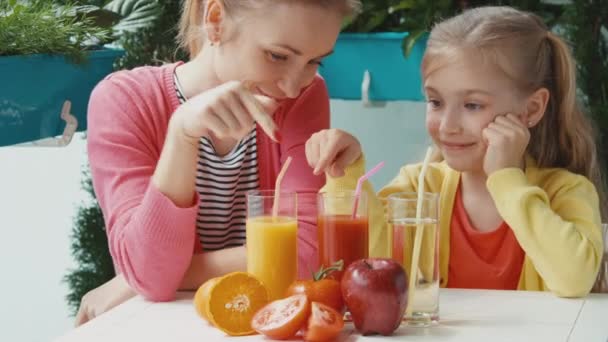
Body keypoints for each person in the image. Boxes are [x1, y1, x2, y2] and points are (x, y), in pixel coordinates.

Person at [75, 0, 362, 326]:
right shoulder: (125, 102)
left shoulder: (304, 98)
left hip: (264, 328)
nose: (294, 85)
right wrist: (182, 135)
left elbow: (305, 256)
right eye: (277, 56)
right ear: (215, 20)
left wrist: (142, 277)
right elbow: (153, 274)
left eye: (315, 62)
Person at [309, 6, 605, 297]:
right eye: (436, 102)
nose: (448, 126)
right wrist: (346, 173)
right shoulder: (418, 187)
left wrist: (506, 177)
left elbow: (574, 279)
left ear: (531, 109)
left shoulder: (566, 192)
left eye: (472, 105)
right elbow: (370, 265)